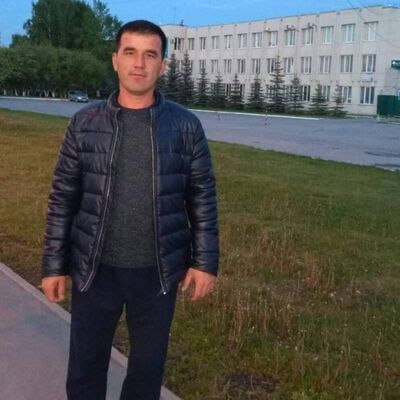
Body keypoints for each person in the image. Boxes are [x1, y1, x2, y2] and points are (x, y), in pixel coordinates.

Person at [41, 20, 219, 400]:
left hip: (157, 273)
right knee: (86, 367)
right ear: (115, 60)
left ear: (162, 66)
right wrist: (54, 265)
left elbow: (202, 197)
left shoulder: (186, 127)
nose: (139, 63)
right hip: (94, 269)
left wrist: (205, 262)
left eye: (150, 55)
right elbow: (63, 198)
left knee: (146, 372)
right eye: (130, 52)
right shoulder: (84, 124)